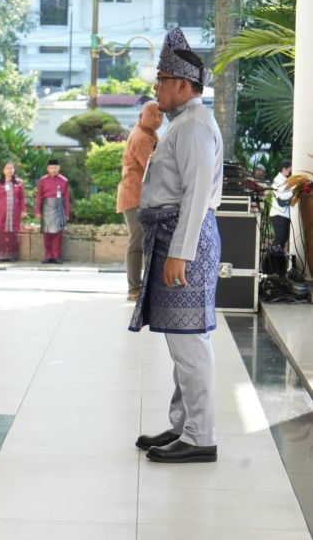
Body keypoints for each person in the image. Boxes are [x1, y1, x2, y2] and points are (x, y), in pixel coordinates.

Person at [130, 27, 222, 464]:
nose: (156, 86)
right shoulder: (184, 123)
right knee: (182, 341)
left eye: (162, 79)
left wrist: (180, 253)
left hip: (185, 241)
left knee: (191, 344)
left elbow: (198, 195)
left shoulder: (196, 126)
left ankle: (201, 436)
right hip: (173, 237)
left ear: (183, 85)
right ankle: (183, 425)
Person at [117, 101, 163, 300]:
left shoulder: (150, 134)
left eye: (161, 116)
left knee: (144, 241)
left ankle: (141, 287)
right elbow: (154, 169)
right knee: (138, 242)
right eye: (153, 114)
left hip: (141, 197)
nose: (158, 119)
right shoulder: (142, 137)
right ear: (140, 116)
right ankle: (134, 289)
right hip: (135, 197)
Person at [0, 162, 27, 262]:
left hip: (14, 212)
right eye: (7, 168)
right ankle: (1, 256)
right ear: (3, 170)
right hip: (1, 212)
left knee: (13, 233)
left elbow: (22, 197)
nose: (9, 170)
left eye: (11, 168)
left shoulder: (18, 183)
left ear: (14, 170)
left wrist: (24, 210)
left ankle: (12, 256)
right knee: (1, 233)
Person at [35, 159, 70, 264]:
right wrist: (37, 211)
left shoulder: (64, 181)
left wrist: (67, 213)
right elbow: (39, 196)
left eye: (55, 168)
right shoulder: (42, 180)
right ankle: (48, 256)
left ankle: (56, 256)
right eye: (51, 168)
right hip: (46, 208)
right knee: (47, 233)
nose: (53, 170)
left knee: (58, 233)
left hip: (59, 207)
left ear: (59, 168)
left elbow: (67, 198)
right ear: (48, 169)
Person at [270, 160, 293, 251]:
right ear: (284, 169)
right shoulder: (278, 180)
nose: (291, 171)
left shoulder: (285, 180)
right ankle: (273, 258)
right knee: (281, 237)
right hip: (279, 214)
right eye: (290, 169)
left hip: (284, 214)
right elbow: (282, 196)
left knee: (283, 237)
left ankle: (277, 258)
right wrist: (294, 191)